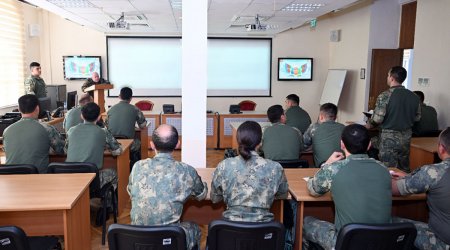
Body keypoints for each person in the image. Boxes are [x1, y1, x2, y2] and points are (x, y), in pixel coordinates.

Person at [303, 124, 392, 249]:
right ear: (369, 144)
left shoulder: (334, 169)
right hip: (383, 241)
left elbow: (314, 189)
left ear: (342, 144)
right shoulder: (383, 169)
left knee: (305, 222)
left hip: (348, 242)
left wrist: (327, 164)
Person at [128, 124, 207, 250]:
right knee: (194, 228)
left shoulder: (138, 166)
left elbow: (131, 191)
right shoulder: (186, 171)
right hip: (168, 240)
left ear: (152, 144)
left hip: (138, 238)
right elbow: (201, 195)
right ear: (178, 144)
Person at [211, 121, 289, 222]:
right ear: (260, 142)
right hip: (264, 231)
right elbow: (283, 194)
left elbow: (215, 198)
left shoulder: (224, 165)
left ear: (238, 141)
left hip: (231, 230)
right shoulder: (275, 168)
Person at [391, 127, 450, 250]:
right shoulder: (433, 174)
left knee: (390, 222)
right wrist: (412, 177)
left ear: (441, 148)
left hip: (442, 242)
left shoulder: (434, 172)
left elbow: (394, 189)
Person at [367, 66, 421, 173]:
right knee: (403, 170)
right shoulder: (414, 96)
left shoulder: (385, 96)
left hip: (389, 139)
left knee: (388, 170)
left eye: (388, 75)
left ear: (391, 78)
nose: (387, 77)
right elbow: (417, 117)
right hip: (406, 138)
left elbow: (377, 119)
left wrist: (369, 124)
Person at [65, 102, 123, 188]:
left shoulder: (71, 131)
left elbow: (66, 150)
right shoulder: (103, 132)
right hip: (91, 179)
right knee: (114, 173)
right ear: (99, 117)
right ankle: (103, 200)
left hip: (70, 177)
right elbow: (117, 151)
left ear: (81, 116)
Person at [3, 94, 64, 173]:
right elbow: (61, 150)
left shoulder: (7, 130)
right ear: (37, 108)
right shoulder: (47, 128)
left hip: (12, 180)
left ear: (19, 109)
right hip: (38, 179)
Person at [106, 87, 147, 166]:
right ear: (131, 98)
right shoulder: (135, 109)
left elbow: (107, 127)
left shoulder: (110, 109)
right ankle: (134, 165)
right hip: (128, 143)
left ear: (119, 96)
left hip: (112, 144)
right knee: (138, 142)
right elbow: (143, 125)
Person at [303, 103, 345, 167]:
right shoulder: (344, 128)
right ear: (336, 117)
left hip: (321, 167)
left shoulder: (314, 128)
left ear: (321, 116)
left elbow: (304, 145)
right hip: (342, 167)